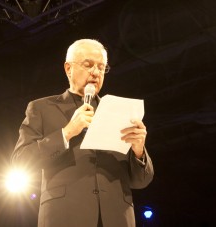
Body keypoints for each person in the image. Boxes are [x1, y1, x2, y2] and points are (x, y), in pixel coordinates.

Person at [11, 39, 154, 227]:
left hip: (116, 218)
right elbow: (20, 160)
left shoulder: (118, 111)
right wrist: (67, 132)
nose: (95, 72)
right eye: (88, 65)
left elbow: (142, 181)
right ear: (68, 68)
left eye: (101, 67)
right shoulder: (41, 108)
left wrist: (138, 150)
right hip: (65, 217)